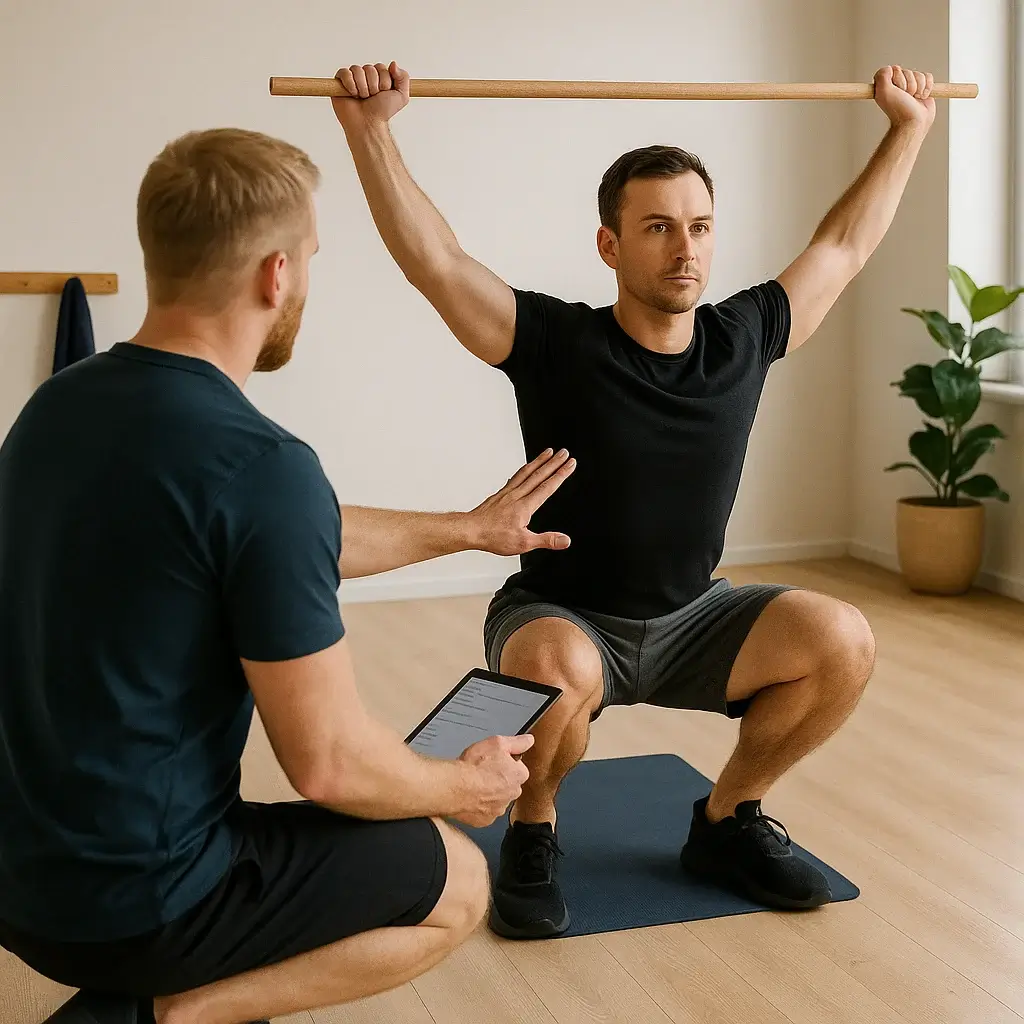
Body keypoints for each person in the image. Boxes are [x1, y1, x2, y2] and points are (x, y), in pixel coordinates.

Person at [334, 60, 937, 938]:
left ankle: (728, 820)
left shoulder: (744, 336)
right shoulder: (554, 341)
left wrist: (908, 128)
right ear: (610, 246)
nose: (685, 249)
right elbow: (437, 261)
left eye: (699, 227)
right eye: (657, 228)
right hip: (566, 617)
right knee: (555, 672)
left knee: (842, 639)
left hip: (697, 617)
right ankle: (534, 829)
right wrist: (371, 131)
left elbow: (843, 248)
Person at [0, 128, 579, 1024]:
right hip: (140, 903)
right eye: (310, 257)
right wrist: (465, 789)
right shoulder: (261, 466)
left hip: (19, 881)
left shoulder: (57, 408)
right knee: (457, 880)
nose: (307, 277)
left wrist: (466, 532)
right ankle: (166, 1015)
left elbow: (254, 538)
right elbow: (331, 765)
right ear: (277, 275)